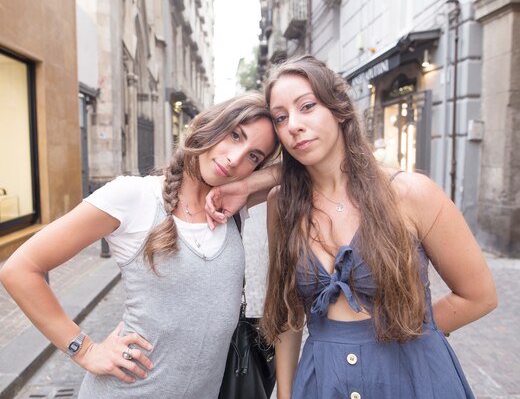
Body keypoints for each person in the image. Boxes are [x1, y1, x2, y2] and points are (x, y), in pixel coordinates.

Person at [206, 55, 497, 399]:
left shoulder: (410, 194)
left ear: (339, 108)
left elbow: (479, 296)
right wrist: (285, 394)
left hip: (413, 379)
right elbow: (288, 314)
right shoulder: (281, 204)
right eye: (281, 117)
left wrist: (413, 334)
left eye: (308, 106)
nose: (294, 125)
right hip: (322, 381)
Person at [0, 91, 280, 399]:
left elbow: (308, 168)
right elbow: (20, 269)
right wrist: (84, 349)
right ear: (209, 126)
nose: (236, 158)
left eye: (254, 156)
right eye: (235, 135)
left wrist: (247, 184)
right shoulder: (134, 197)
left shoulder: (232, 204)